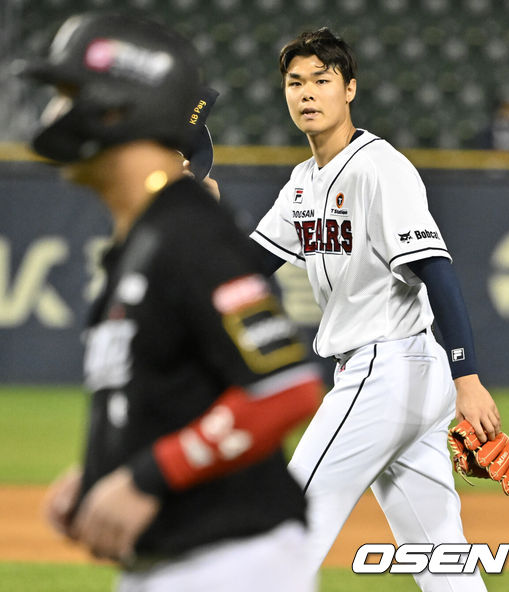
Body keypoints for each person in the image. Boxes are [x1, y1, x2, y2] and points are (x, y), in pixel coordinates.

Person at [19, 12, 322, 592]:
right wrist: (103, 472)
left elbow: (283, 388)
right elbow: (178, 391)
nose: (55, 115)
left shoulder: (188, 231)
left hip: (231, 564)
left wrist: (147, 477)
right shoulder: (146, 238)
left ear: (119, 107)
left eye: (69, 95)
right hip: (179, 562)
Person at [248, 28, 502, 591]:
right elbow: (245, 269)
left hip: (385, 371)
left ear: (350, 89)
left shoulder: (379, 167)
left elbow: (437, 269)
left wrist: (469, 378)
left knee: (284, 529)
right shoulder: (302, 183)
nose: (307, 93)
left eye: (322, 80)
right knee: (442, 562)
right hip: (403, 376)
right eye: (295, 83)